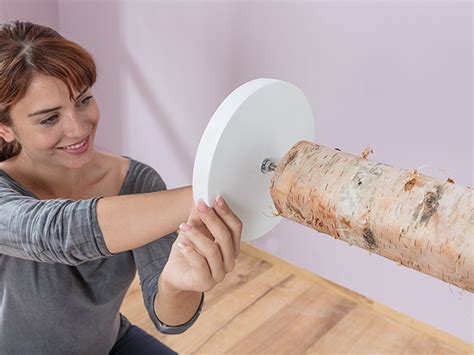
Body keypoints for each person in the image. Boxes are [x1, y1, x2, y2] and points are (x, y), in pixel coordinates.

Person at [0, 20, 242, 354]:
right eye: (49, 119)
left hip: (108, 344)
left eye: (83, 100)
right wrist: (214, 188)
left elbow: (171, 319)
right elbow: (55, 233)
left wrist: (175, 284)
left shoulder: (138, 183)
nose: (78, 128)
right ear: (5, 129)